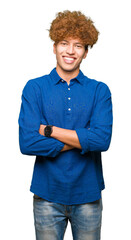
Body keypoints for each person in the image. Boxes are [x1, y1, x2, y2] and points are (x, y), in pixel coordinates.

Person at [18, 10, 113, 240]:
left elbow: (102, 141)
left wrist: (49, 131)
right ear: (54, 47)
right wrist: (83, 139)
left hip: (88, 195)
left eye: (78, 45)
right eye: (64, 43)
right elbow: (28, 143)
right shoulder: (35, 88)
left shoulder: (99, 90)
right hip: (47, 196)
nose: (70, 51)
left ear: (86, 52)